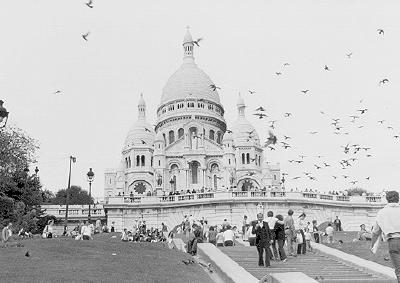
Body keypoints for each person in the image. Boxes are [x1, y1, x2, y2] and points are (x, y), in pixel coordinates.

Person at [372, 190, 400, 282]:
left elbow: (375, 232)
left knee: (399, 270)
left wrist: (372, 245)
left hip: (393, 241)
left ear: (387, 199)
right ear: (398, 198)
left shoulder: (382, 212)